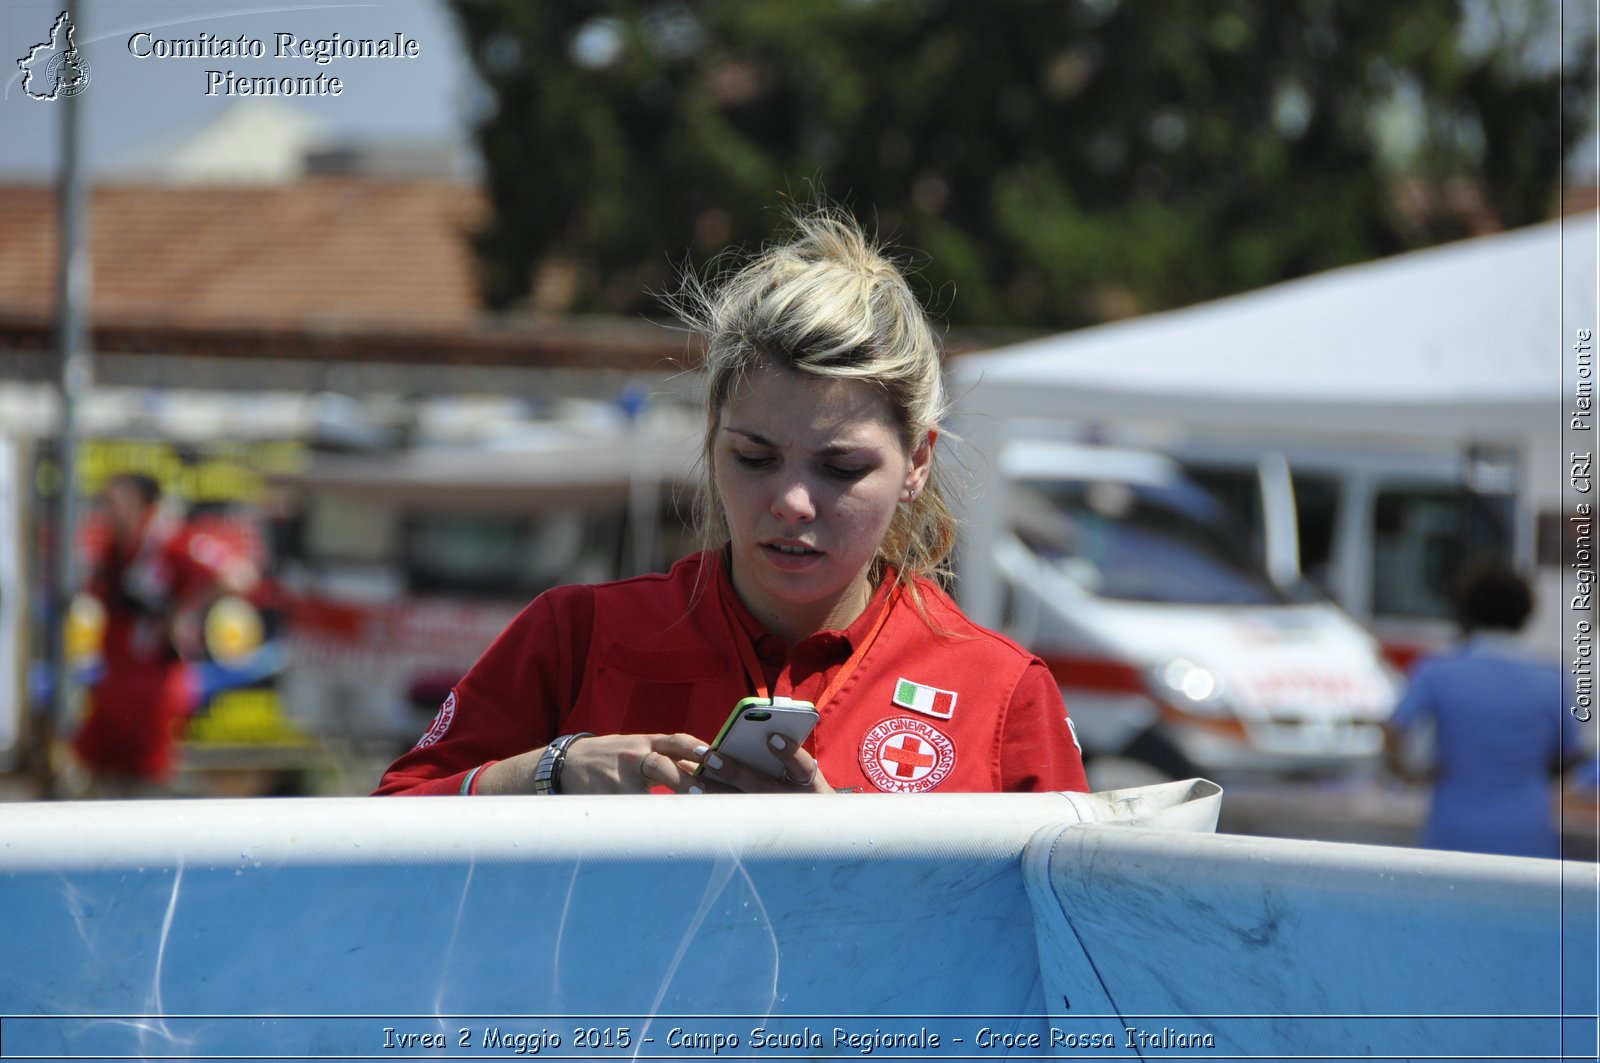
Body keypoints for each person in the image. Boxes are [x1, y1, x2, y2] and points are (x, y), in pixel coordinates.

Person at [376, 208, 1088, 796]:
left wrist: (850, 858)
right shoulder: (575, 637)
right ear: (712, 438)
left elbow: (1062, 939)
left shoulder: (1001, 693)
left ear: (918, 462)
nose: (793, 502)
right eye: (754, 457)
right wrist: (547, 770)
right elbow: (379, 838)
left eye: (841, 468)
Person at [71, 472, 258, 796]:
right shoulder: (114, 548)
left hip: (154, 685)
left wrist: (185, 610)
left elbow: (239, 575)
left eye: (118, 502)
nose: (109, 511)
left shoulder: (173, 543)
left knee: (145, 784)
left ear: (145, 505)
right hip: (115, 678)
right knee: (95, 772)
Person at [1383, 562, 1578, 858]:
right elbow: (1570, 753)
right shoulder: (1553, 679)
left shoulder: (1438, 671)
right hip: (1528, 829)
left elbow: (1393, 728)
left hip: (1453, 826)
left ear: (1466, 610)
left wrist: (1412, 774)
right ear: (1526, 613)